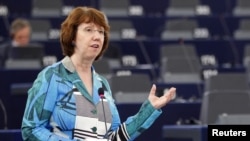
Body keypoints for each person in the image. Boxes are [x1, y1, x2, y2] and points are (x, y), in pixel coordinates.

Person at [21, 6, 176, 141]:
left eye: (101, 32)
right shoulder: (52, 76)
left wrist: (149, 110)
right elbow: (31, 130)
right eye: (88, 30)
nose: (97, 36)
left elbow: (115, 137)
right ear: (72, 36)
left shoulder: (102, 83)